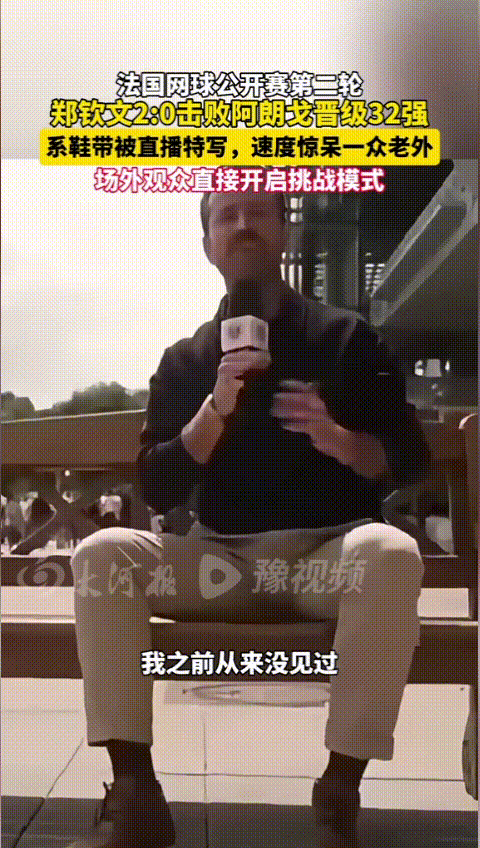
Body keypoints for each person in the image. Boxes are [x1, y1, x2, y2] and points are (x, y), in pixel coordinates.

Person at [68, 186, 430, 848]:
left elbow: (409, 459)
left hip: (325, 562)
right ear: (208, 244)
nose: (242, 225)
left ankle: (339, 793)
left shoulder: (347, 339)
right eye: (226, 216)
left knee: (392, 553)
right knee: (101, 554)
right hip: (220, 565)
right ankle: (136, 794)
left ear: (284, 232)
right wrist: (214, 411)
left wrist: (338, 438)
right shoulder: (186, 361)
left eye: (258, 211)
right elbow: (158, 485)